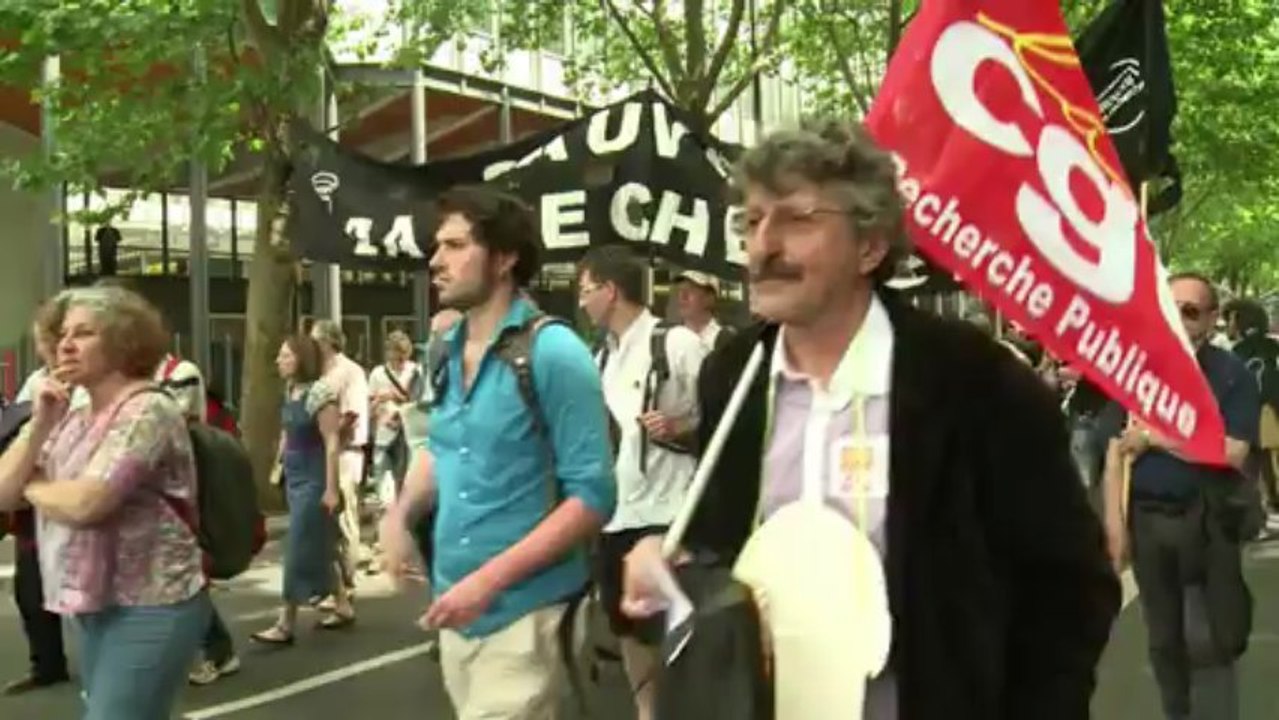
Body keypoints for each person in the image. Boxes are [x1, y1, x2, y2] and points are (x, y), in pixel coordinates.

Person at [621, 121, 1120, 718]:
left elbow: (1068, 587)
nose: (763, 247)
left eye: (798, 219)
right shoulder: (732, 375)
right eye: (751, 222)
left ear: (870, 246)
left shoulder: (973, 380)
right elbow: (718, 552)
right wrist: (666, 563)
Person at [378, 186, 615, 720]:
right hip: (457, 614)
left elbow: (593, 496)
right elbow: (441, 448)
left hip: (529, 619)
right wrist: (399, 515)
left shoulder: (555, 353)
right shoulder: (446, 351)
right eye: (437, 246)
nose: (435, 261)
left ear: (504, 258)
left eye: (456, 245)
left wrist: (489, 581)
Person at [0, 286, 209, 720]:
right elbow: (2, 491)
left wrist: (31, 487)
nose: (65, 345)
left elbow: (88, 503)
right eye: (62, 335)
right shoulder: (73, 417)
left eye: (84, 333)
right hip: (97, 604)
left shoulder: (147, 410)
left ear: (123, 342)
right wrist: (40, 423)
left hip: (152, 604)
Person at [1103, 273, 1262, 720]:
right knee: (1163, 641)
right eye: (1168, 309)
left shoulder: (1230, 375)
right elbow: (1115, 448)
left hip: (1207, 519)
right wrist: (1115, 527)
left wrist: (1156, 437)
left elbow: (1233, 451)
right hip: (1147, 521)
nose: (1177, 319)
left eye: (1189, 311)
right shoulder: (1133, 371)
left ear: (1212, 319)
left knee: (1208, 639)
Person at [578, 246, 706, 720]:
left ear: (611, 291)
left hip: (669, 515)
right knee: (627, 627)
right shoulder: (599, 357)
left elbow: (717, 420)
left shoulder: (676, 344)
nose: (582, 302)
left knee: (676, 630)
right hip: (617, 514)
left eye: (586, 291)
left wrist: (678, 427)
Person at [251, 333, 354, 644]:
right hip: (294, 474)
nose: (278, 361)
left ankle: (286, 622)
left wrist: (331, 489)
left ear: (301, 359)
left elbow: (331, 442)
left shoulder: (320, 392)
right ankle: (343, 603)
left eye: (285, 355)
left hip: (314, 476)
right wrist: (278, 465)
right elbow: (287, 432)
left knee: (296, 547)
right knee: (320, 543)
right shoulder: (290, 390)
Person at [2, 318, 70, 696]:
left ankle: (213, 645)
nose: (51, 348)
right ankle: (47, 665)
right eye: (44, 341)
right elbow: (17, 427)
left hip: (73, 501)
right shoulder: (37, 381)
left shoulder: (95, 387)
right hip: (34, 504)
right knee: (30, 589)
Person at [310, 319, 370, 588]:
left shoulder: (351, 372)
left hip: (346, 453)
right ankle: (329, 585)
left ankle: (347, 583)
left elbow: (351, 414)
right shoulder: (318, 372)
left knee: (344, 519)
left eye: (315, 340)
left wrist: (328, 434)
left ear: (328, 342)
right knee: (325, 524)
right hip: (322, 454)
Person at [1223, 298, 1279, 518]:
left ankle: (1264, 510)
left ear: (1240, 321)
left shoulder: (1245, 354)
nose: (1227, 325)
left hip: (1261, 417)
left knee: (1260, 466)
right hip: (1264, 416)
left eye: (1230, 319)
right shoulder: (1268, 350)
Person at [368, 331, 421, 509]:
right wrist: (377, 405)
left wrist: (394, 396)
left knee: (405, 478)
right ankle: (386, 512)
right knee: (382, 475)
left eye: (403, 356)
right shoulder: (378, 373)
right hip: (384, 432)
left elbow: (419, 401)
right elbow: (369, 403)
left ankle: (403, 512)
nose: (400, 361)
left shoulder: (415, 371)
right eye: (396, 355)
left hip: (406, 432)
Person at [673, 270, 731, 353]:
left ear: (710, 298)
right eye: (680, 290)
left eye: (691, 290)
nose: (683, 297)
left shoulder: (724, 341)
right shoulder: (673, 339)